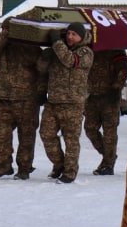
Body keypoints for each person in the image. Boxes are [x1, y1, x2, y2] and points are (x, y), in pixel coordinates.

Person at [37, 22, 94, 183]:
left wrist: (57, 43)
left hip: (73, 103)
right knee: (46, 134)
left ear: (81, 37)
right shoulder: (58, 50)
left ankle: (69, 172)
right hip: (53, 101)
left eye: (74, 34)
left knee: (70, 139)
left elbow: (70, 61)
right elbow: (41, 69)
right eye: (68, 33)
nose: (70, 37)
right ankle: (59, 164)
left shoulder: (86, 52)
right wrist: (47, 54)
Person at [0, 29, 44, 179]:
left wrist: (41, 92)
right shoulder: (1, 46)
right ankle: (3, 164)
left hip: (27, 99)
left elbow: (41, 67)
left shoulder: (30, 47)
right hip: (4, 98)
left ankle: (24, 168)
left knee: (26, 135)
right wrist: (5, 34)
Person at [84, 45, 127, 175]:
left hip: (110, 96)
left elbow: (123, 70)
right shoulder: (90, 49)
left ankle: (108, 164)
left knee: (109, 131)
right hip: (93, 95)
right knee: (90, 129)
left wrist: (116, 88)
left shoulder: (116, 50)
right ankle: (109, 155)